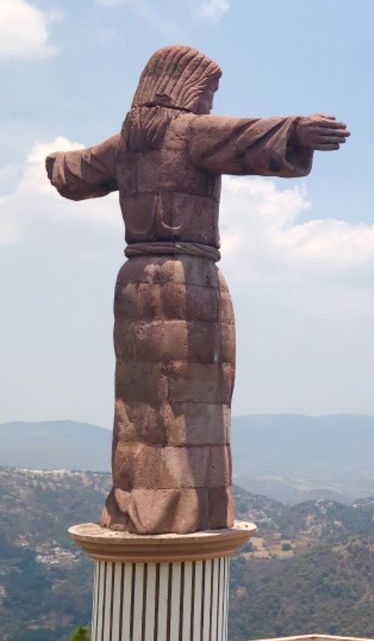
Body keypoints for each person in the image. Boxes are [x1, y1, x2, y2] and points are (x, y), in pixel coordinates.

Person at [46, 45, 349, 534]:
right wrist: (298, 130)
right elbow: (246, 137)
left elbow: (75, 171)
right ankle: (185, 512)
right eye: (207, 91)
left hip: (134, 284)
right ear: (182, 87)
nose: (209, 102)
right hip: (190, 281)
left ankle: (139, 506)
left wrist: (57, 163)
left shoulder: (126, 142)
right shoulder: (187, 131)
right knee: (193, 397)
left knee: (142, 402)